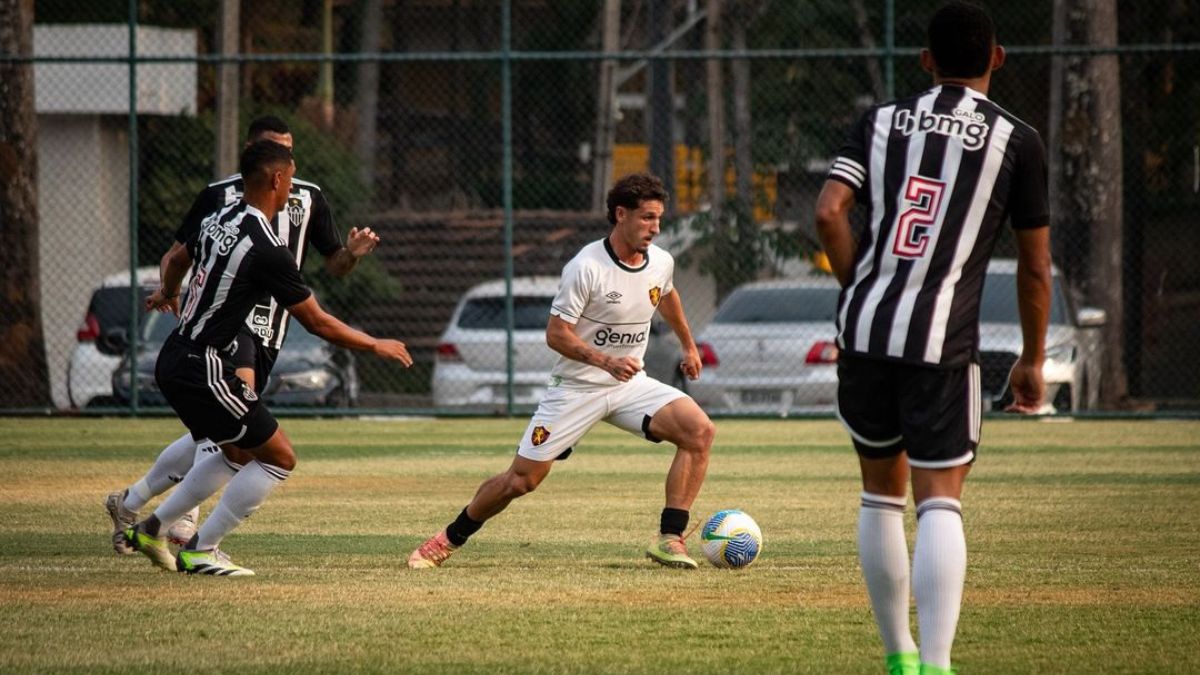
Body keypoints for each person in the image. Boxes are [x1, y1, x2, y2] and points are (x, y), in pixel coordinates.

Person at [813, 2, 1052, 673]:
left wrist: (857, 283)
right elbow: (1035, 265)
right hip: (941, 344)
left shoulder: (880, 121)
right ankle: (939, 664)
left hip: (864, 333)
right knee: (939, 497)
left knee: (880, 495)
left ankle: (899, 657)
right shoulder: (1017, 139)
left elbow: (830, 210)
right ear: (997, 58)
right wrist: (1032, 358)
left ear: (925, 61)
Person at [122, 139, 413, 576]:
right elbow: (317, 322)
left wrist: (169, 291)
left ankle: (151, 526)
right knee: (279, 457)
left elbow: (178, 258)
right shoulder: (266, 247)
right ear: (278, 179)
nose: (292, 185)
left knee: (236, 452)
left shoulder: (217, 217)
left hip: (176, 355)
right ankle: (201, 548)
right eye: (291, 177)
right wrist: (375, 344)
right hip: (205, 365)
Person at [408, 172, 716, 570]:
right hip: (576, 387)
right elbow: (556, 335)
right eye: (646, 218)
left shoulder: (660, 261)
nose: (655, 229)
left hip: (630, 384)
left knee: (699, 431)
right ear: (620, 215)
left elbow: (667, 293)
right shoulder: (585, 267)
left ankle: (670, 538)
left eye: (659, 219)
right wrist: (606, 361)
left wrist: (688, 345)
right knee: (521, 481)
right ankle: (449, 537)